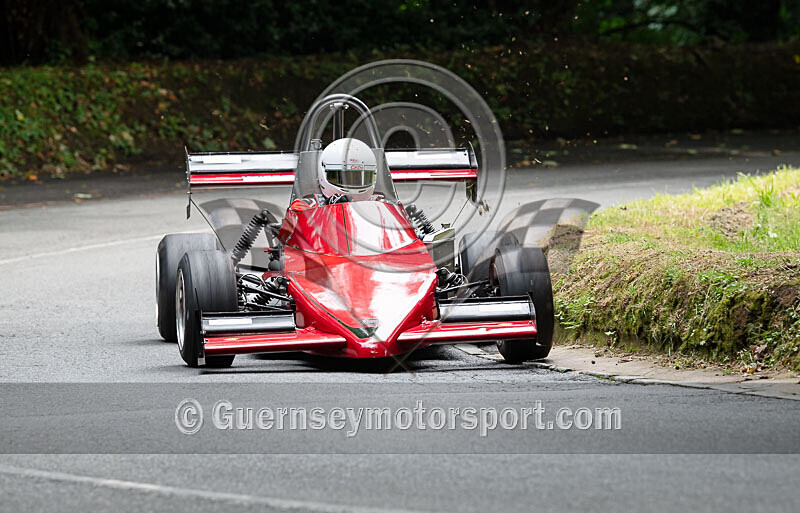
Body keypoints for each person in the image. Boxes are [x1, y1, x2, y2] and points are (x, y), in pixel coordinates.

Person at [290, 138, 379, 212]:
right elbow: (295, 215)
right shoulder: (305, 205)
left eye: (358, 179)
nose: (351, 183)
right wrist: (326, 207)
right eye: (343, 178)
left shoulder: (381, 205)